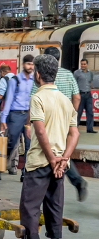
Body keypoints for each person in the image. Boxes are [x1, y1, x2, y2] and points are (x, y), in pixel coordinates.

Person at [19, 54, 79, 239]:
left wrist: (51, 158)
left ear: (37, 75)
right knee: (55, 209)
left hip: (39, 162)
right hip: (60, 165)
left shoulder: (38, 98)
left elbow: (40, 131)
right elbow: (74, 133)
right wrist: (63, 159)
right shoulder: (65, 100)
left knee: (30, 210)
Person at [32, 47, 87, 200]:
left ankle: (42, 185)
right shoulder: (68, 74)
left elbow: (34, 98)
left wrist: (28, 123)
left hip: (44, 119)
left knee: (42, 153)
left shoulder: (41, 76)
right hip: (64, 120)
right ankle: (74, 180)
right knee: (63, 152)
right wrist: (71, 116)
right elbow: (76, 97)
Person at [0, 55, 35, 177]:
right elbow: (8, 100)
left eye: (32, 64)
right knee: (11, 143)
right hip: (15, 115)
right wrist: (3, 119)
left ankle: (25, 172)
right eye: (28, 64)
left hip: (28, 116)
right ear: (23, 64)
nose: (30, 67)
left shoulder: (33, 81)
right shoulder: (14, 80)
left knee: (29, 146)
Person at [74, 58, 95, 133]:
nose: (82, 65)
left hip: (88, 95)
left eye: (84, 64)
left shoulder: (90, 73)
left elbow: (90, 83)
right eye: (81, 64)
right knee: (78, 112)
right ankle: (75, 129)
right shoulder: (77, 73)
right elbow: (74, 84)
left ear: (87, 64)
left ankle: (90, 129)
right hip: (80, 95)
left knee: (90, 112)